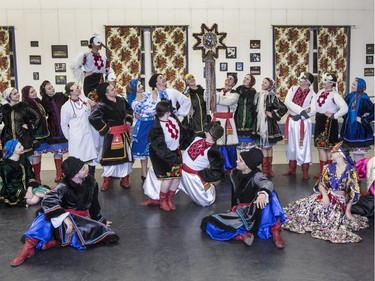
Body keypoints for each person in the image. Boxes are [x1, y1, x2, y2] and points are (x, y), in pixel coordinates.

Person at [10, 156, 119, 267]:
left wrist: (101, 220)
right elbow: (48, 200)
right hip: (64, 220)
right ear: (75, 174)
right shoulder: (63, 186)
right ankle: (26, 250)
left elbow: (94, 205)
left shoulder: (91, 183)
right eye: (82, 169)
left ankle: (50, 243)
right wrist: (65, 217)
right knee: (44, 219)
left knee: (100, 234)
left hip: (80, 221)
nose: (86, 169)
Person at [282, 142, 369, 243]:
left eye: (334, 151)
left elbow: (352, 192)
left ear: (340, 154)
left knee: (327, 216)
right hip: (328, 196)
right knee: (309, 208)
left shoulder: (351, 170)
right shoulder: (329, 167)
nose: (331, 152)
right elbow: (321, 184)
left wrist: (348, 211)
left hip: (339, 202)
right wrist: (325, 196)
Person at [200, 147, 286, 248]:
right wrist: (233, 207)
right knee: (208, 221)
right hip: (241, 212)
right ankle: (242, 236)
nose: (236, 161)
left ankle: (275, 232)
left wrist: (263, 193)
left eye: (240, 160)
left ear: (248, 165)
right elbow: (235, 194)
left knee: (272, 194)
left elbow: (267, 183)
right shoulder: (234, 173)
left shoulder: (256, 175)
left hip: (255, 211)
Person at [142, 100, 193, 211]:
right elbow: (159, 148)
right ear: (166, 111)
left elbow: (182, 133)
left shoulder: (173, 119)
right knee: (168, 179)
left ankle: (170, 199)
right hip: (163, 156)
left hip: (175, 153)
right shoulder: (157, 128)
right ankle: (162, 200)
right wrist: (172, 158)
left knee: (177, 178)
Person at [89, 82, 134, 191]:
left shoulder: (121, 100)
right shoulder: (102, 104)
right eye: (112, 89)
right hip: (112, 136)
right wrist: (105, 128)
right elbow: (93, 117)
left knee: (126, 159)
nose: (115, 90)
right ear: (106, 93)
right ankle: (106, 180)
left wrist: (128, 120)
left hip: (124, 134)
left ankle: (125, 179)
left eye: (114, 88)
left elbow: (129, 109)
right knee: (109, 159)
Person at [179, 121, 225, 207]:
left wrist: (202, 175)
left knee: (206, 200)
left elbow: (217, 173)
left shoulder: (213, 152)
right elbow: (186, 135)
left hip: (191, 177)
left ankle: (210, 188)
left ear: (209, 132)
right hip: (179, 168)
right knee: (158, 176)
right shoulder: (198, 137)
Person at [283, 72, 317, 180]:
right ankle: (292, 167)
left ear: (308, 82)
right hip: (292, 119)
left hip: (303, 121)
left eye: (303, 78)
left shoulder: (313, 94)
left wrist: (302, 116)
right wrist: (302, 111)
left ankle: (305, 170)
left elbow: (313, 109)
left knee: (304, 146)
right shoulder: (293, 89)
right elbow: (287, 102)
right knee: (291, 145)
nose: (300, 79)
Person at [313, 73, 348, 179]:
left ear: (332, 83)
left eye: (326, 80)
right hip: (319, 120)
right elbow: (316, 107)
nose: (323, 82)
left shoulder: (335, 95)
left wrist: (334, 115)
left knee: (328, 148)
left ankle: (328, 171)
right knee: (320, 146)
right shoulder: (320, 92)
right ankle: (322, 170)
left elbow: (344, 108)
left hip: (329, 121)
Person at [252, 77, 287, 177]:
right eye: (263, 82)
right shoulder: (257, 95)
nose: (263, 84)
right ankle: (265, 169)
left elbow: (283, 108)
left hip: (269, 125)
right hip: (259, 124)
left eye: (265, 83)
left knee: (268, 147)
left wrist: (273, 114)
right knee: (264, 147)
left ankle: (268, 169)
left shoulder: (272, 96)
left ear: (270, 85)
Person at [0, 139, 48, 207]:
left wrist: (30, 187)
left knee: (45, 192)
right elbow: (8, 185)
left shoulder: (23, 159)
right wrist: (23, 193)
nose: (22, 147)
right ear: (12, 150)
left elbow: (30, 174)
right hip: (14, 192)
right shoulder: (5, 166)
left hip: (27, 185)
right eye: (19, 147)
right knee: (34, 199)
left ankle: (41, 196)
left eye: (21, 145)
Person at [60, 82, 98, 168]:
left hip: (87, 134)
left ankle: (89, 177)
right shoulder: (65, 107)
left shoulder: (85, 101)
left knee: (89, 159)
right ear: (71, 92)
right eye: (77, 88)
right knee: (77, 161)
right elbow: (63, 125)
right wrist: (70, 137)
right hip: (75, 137)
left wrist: (93, 105)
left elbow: (92, 112)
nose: (79, 88)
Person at [40, 80, 69, 182]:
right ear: (45, 92)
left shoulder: (61, 96)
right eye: (49, 88)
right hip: (53, 128)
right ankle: (58, 173)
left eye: (52, 87)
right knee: (57, 151)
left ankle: (66, 171)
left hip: (64, 127)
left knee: (65, 151)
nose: (52, 89)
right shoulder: (44, 101)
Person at [21, 85, 50, 184]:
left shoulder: (37, 102)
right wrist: (31, 126)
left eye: (34, 91)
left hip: (41, 133)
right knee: (35, 155)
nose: (34, 93)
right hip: (34, 135)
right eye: (32, 92)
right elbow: (26, 119)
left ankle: (38, 177)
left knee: (38, 155)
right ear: (27, 94)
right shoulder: (26, 104)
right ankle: (35, 178)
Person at [340, 77, 374, 162]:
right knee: (350, 151)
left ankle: (359, 171)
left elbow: (373, 111)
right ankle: (353, 171)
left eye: (354, 84)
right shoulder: (349, 96)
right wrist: (346, 117)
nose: (352, 86)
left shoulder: (364, 98)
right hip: (349, 129)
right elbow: (343, 108)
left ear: (360, 86)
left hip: (359, 129)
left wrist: (364, 119)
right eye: (352, 84)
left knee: (358, 152)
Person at [1, 87, 41, 157]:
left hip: (23, 137)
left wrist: (31, 125)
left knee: (25, 160)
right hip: (8, 137)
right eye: (15, 94)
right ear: (9, 97)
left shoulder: (23, 105)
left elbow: (37, 116)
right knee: (10, 160)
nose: (18, 95)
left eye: (17, 93)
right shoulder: (4, 108)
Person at [130, 79, 155, 183]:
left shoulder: (147, 95)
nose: (141, 86)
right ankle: (141, 174)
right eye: (139, 85)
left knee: (152, 150)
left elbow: (153, 106)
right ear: (134, 88)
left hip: (152, 125)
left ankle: (149, 174)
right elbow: (150, 110)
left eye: (141, 84)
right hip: (143, 127)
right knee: (141, 152)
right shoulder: (134, 103)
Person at [213, 73, 240, 174]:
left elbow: (227, 102)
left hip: (228, 122)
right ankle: (217, 166)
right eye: (227, 78)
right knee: (217, 144)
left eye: (231, 79)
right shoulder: (217, 91)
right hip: (216, 120)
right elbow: (207, 98)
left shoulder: (235, 94)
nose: (228, 79)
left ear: (234, 83)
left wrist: (213, 96)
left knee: (229, 144)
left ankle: (229, 166)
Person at [234, 74, 257, 151]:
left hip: (250, 120)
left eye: (247, 79)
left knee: (249, 148)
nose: (244, 79)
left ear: (251, 82)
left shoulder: (253, 92)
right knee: (240, 146)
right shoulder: (239, 90)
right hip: (239, 119)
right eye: (244, 77)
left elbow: (255, 106)